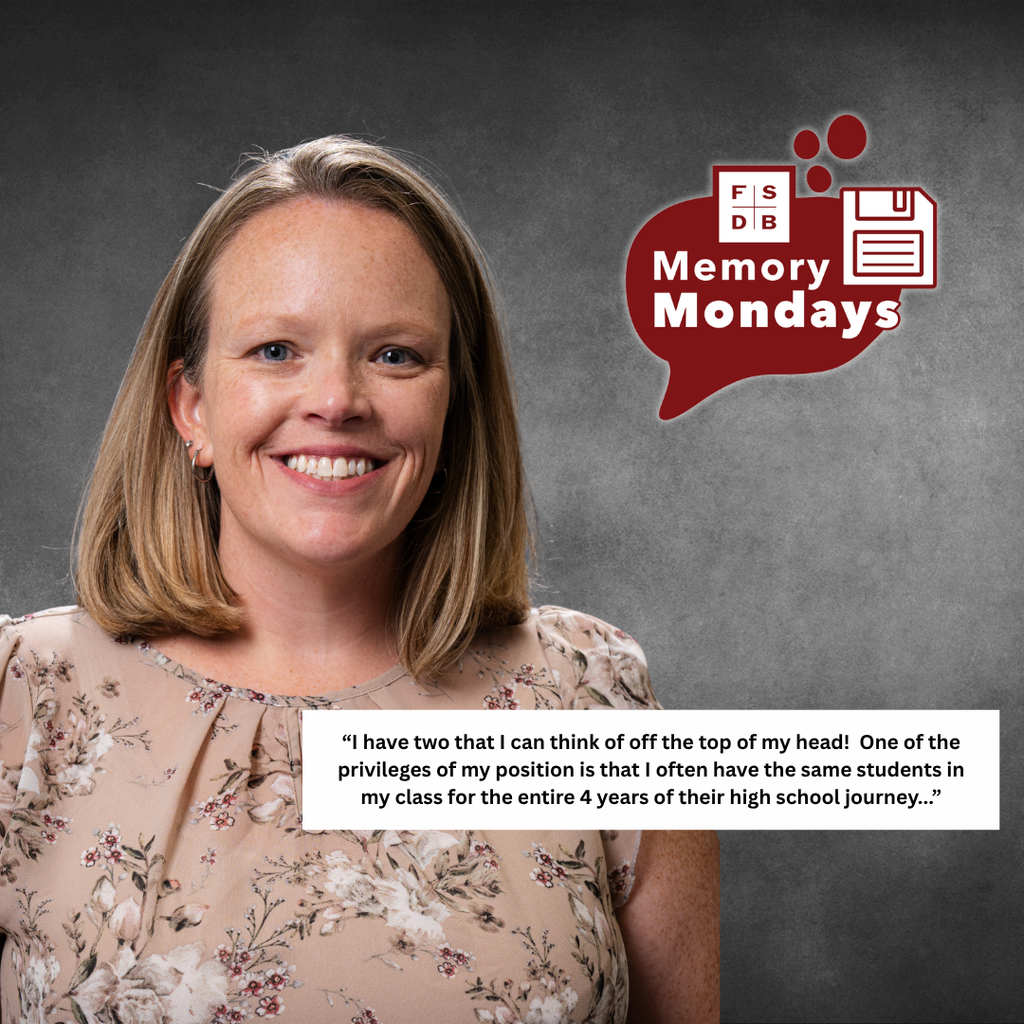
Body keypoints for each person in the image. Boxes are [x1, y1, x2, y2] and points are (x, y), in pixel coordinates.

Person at [0, 137, 718, 1023]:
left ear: (454, 406)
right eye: (274, 350)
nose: (336, 399)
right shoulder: (26, 695)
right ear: (191, 409)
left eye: (395, 356)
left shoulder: (591, 693)